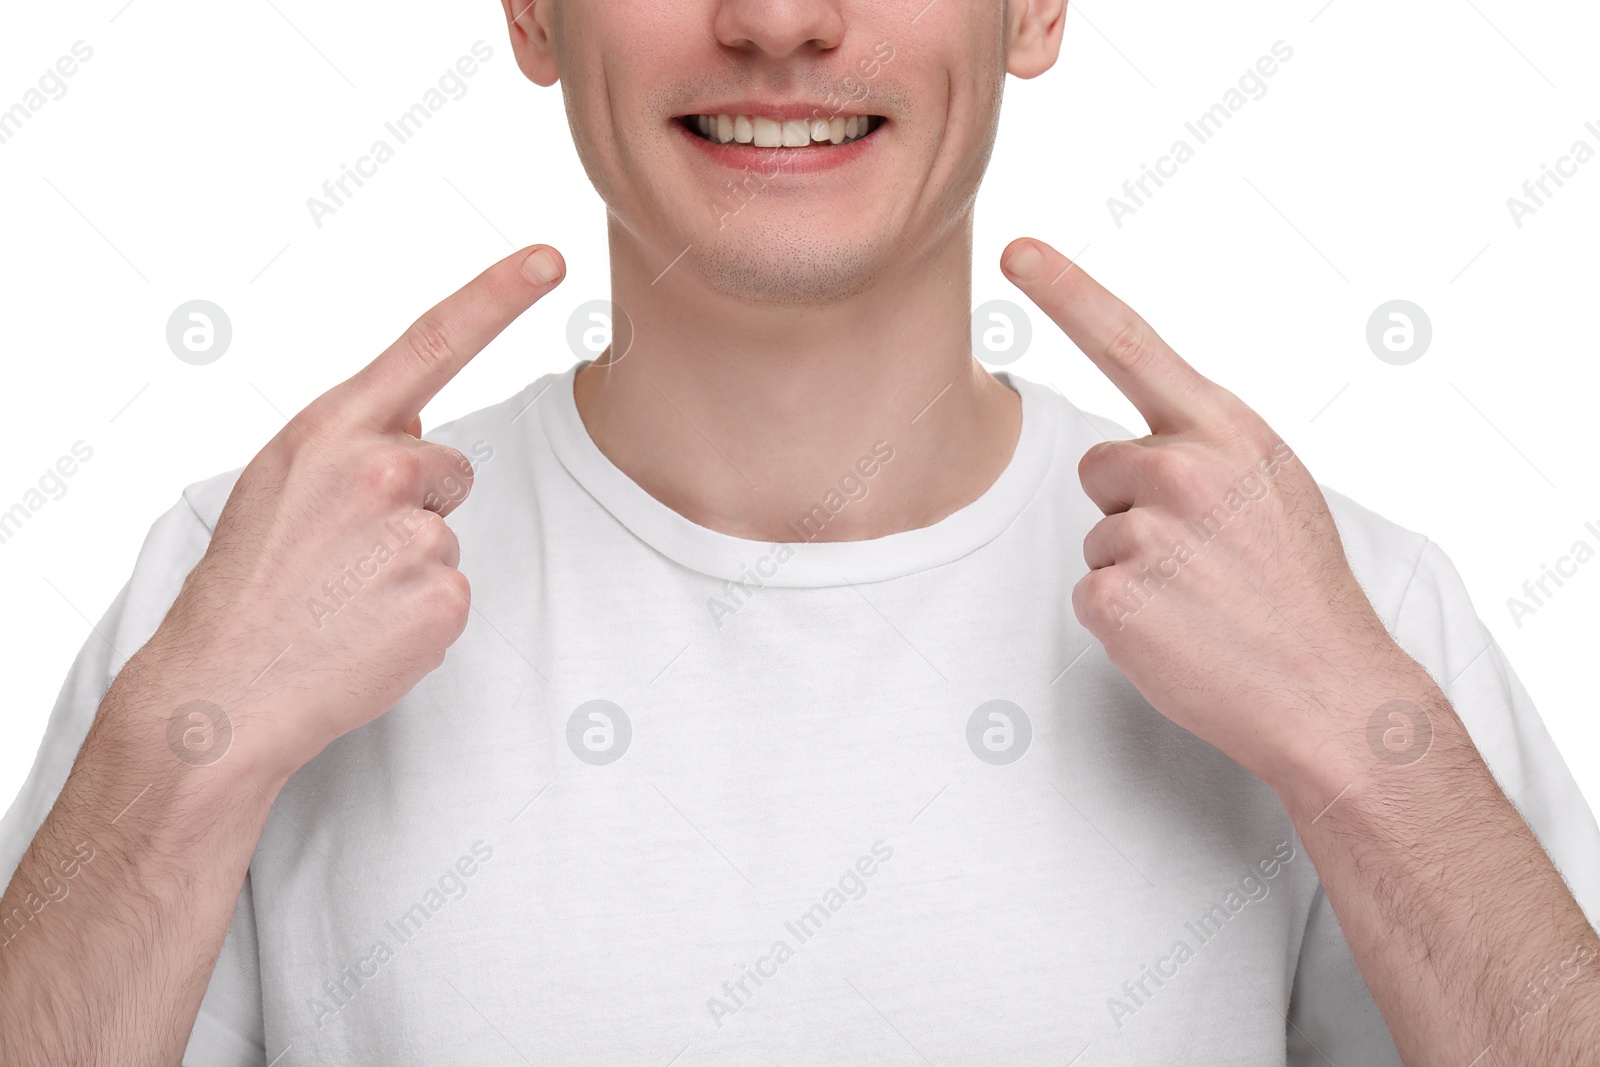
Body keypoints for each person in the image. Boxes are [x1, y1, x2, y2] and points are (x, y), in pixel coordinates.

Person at [2, 1, 1597, 1063]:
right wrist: (180, 760)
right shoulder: (239, 589)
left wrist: (1361, 752)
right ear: (533, 11)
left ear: (1035, 3)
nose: (777, 18)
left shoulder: (1344, 606)